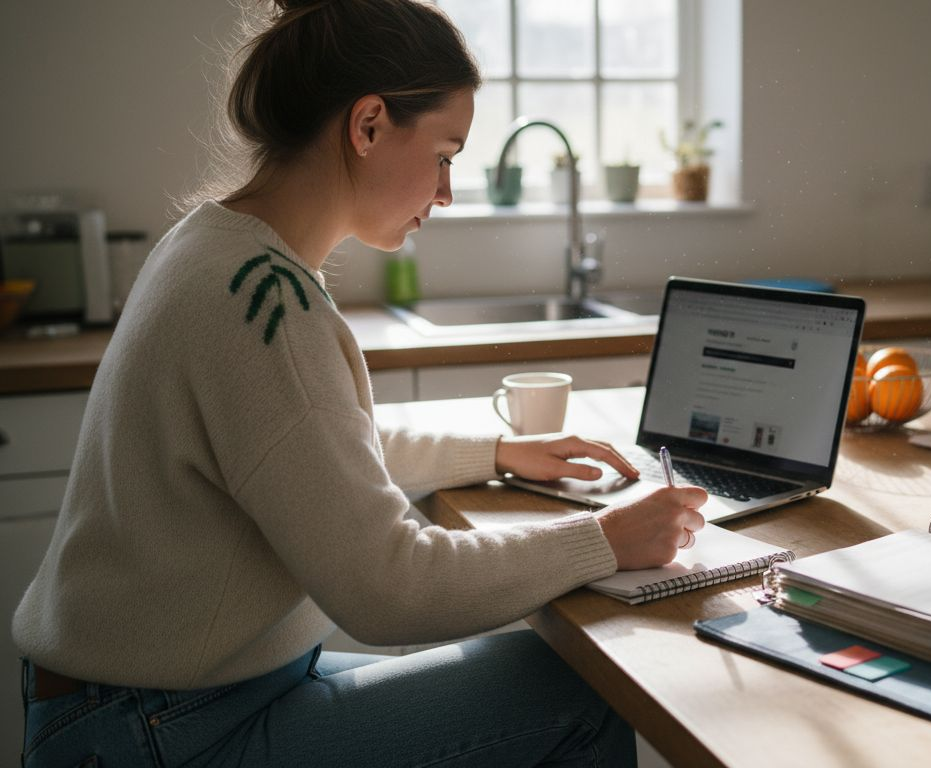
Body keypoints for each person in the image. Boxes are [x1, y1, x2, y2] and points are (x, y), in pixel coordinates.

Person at [11, 1, 707, 765]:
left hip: (142, 705)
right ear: (369, 124)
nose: (446, 193)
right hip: (160, 729)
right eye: (445, 154)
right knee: (575, 694)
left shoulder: (217, 249)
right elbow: (390, 588)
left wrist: (498, 452)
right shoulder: (257, 298)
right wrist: (605, 539)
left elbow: (310, 442)